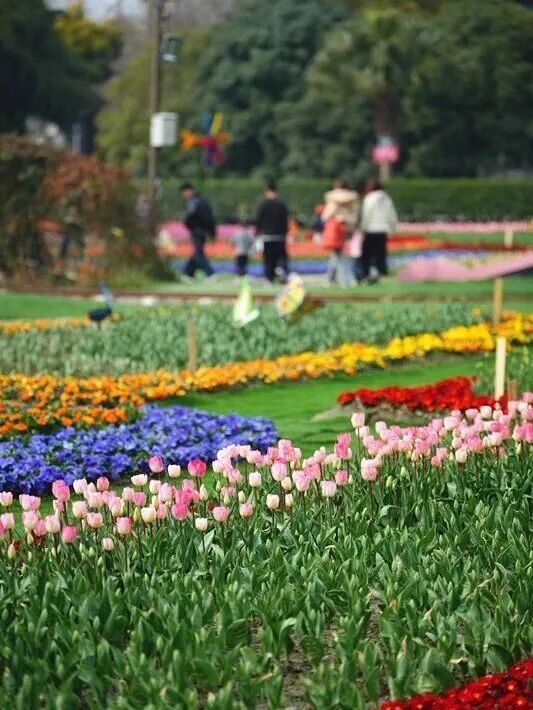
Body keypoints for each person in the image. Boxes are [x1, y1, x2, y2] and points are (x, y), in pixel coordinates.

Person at [359, 178, 398, 283]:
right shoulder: (386, 198)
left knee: (367, 254)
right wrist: (393, 228)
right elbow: (392, 214)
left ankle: (367, 273)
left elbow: (367, 214)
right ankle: (381, 272)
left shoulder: (369, 198)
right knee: (381, 253)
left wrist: (363, 227)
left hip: (371, 228)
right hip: (383, 228)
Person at [321, 179, 359, 286]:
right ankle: (331, 278)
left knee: (338, 254)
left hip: (336, 228)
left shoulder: (332, 198)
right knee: (338, 254)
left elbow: (326, 215)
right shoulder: (353, 198)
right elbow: (355, 214)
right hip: (347, 227)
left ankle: (347, 279)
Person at [255, 180, 289, 283]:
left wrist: (257, 233)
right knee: (280, 257)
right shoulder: (282, 205)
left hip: (268, 236)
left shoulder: (263, 205)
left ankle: (270, 278)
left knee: (269, 259)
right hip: (280, 236)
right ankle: (281, 272)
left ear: (266, 191)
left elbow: (259, 221)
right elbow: (285, 221)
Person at [180, 182, 216, 278]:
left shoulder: (194, 202)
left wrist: (187, 223)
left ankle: (210, 273)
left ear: (189, 191)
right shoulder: (200, 201)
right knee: (197, 252)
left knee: (198, 253)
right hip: (201, 230)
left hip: (198, 230)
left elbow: (190, 216)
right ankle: (188, 273)